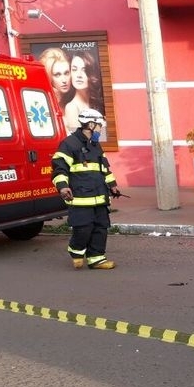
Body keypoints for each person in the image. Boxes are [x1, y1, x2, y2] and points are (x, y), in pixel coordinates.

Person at [51, 108, 120, 270]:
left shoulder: (96, 146)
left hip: (100, 196)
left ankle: (96, 259)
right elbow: (59, 168)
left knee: (101, 228)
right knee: (84, 228)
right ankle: (75, 251)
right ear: (90, 124)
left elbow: (104, 169)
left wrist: (113, 185)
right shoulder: (69, 144)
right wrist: (62, 186)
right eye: (98, 126)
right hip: (81, 198)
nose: (100, 129)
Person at [63, 50, 106, 138]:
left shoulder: (98, 102)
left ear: (92, 73)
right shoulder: (71, 108)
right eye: (74, 69)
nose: (79, 75)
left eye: (84, 70)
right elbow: (78, 142)